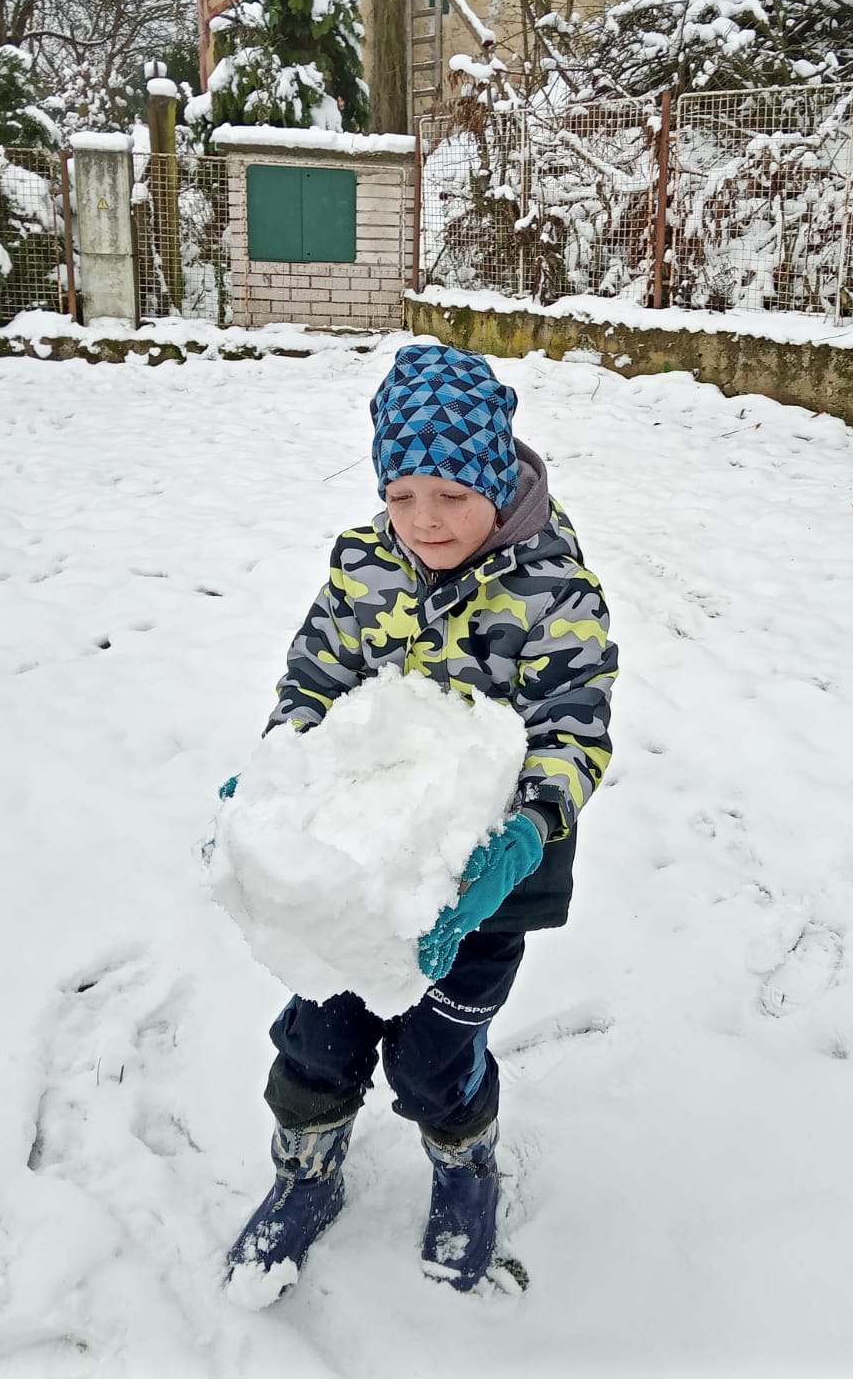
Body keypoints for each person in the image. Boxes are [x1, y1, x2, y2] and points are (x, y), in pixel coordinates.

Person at [226, 343, 618, 1297]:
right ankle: (306, 1174)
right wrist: (279, 781)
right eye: (401, 495)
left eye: (448, 493)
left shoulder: (551, 591)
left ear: (491, 474)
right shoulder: (365, 571)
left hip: (484, 886)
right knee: (317, 1040)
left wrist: (527, 831)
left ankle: (464, 1165)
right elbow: (311, 684)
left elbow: (577, 724)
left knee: (438, 1060)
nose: (423, 521)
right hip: (353, 875)